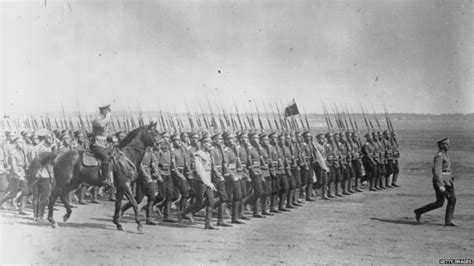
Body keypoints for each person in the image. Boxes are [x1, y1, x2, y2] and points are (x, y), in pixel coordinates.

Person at [178, 132, 217, 230]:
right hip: (200, 182)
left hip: (208, 181)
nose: (209, 145)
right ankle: (182, 213)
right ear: (203, 143)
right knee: (198, 203)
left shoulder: (208, 154)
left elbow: (210, 169)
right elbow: (200, 170)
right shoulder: (198, 154)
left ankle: (208, 223)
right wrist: (208, 182)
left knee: (211, 201)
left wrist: (210, 182)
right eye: (208, 143)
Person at [414, 138, 456, 226]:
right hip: (441, 181)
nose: (449, 146)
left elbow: (447, 169)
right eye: (447, 144)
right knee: (439, 203)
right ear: (441, 145)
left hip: (448, 181)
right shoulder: (439, 156)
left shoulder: (446, 154)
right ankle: (419, 211)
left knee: (452, 199)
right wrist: (440, 185)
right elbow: (437, 171)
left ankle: (448, 221)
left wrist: (451, 178)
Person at [0, 137, 29, 215]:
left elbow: (25, 163)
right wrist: (20, 176)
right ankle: (21, 209)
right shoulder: (13, 153)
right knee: (23, 192)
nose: (22, 144)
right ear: (16, 144)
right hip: (16, 175)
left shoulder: (22, 152)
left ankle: (1, 202)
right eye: (20, 142)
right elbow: (14, 166)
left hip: (22, 172)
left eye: (23, 143)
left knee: (14, 193)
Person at [91, 104, 112, 185]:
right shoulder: (97, 120)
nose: (109, 111)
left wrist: (112, 138)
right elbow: (100, 125)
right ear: (103, 111)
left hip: (104, 145)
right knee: (106, 158)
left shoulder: (105, 120)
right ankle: (104, 179)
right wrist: (108, 118)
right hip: (96, 145)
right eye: (107, 110)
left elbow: (105, 134)